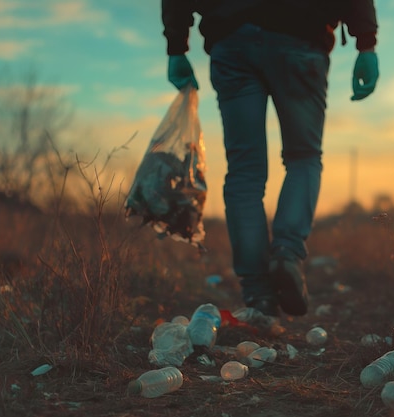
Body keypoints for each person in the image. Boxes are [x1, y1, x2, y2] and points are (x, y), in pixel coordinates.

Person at [161, 0, 379, 318]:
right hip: (302, 35)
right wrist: (366, 44)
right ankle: (287, 253)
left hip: (232, 39)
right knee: (303, 157)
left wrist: (176, 48)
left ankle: (258, 293)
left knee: (244, 172)